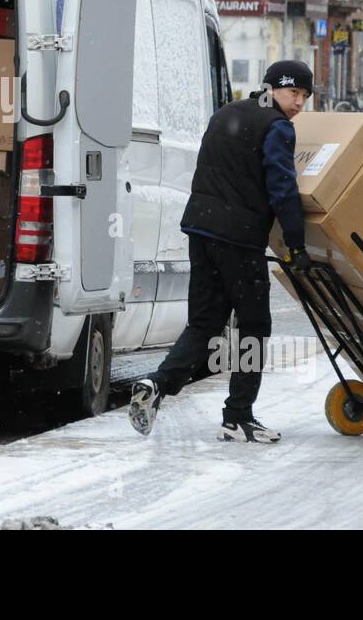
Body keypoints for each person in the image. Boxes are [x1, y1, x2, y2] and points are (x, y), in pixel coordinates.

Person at [128, 60, 314, 444]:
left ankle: (157, 383)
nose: (299, 103)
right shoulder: (277, 127)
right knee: (254, 327)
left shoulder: (226, 113)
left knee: (205, 322)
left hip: (201, 229)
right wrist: (296, 246)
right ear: (273, 89)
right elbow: (283, 189)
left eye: (305, 96)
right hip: (239, 240)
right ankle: (239, 417)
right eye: (294, 93)